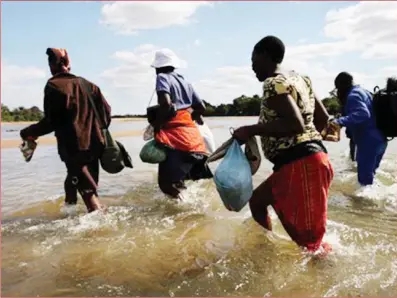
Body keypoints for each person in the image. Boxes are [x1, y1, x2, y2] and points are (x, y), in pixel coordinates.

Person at [233, 36, 334, 253]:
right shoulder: (302, 80)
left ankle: (322, 281)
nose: (252, 68)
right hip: (309, 160)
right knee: (257, 202)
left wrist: (251, 130)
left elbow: (295, 123)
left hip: (301, 164)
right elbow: (323, 118)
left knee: (310, 246)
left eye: (254, 61)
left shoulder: (273, 83)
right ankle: (266, 251)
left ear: (266, 56)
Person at [20, 48, 111, 213]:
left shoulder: (53, 86)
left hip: (74, 149)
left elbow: (50, 122)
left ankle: (102, 230)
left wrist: (26, 132)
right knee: (74, 179)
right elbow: (107, 115)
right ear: (68, 64)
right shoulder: (90, 86)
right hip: (96, 145)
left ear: (51, 65)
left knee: (89, 194)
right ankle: (69, 211)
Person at [150, 49, 213, 199]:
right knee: (180, 183)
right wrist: (189, 118)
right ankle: (190, 212)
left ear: (158, 67)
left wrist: (157, 125)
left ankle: (183, 208)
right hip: (194, 140)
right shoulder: (185, 82)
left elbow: (165, 104)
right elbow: (201, 108)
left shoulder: (162, 77)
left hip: (176, 140)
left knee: (166, 185)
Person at [332, 72, 387, 186]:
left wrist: (339, 122)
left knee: (364, 183)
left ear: (341, 86)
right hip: (380, 139)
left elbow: (363, 114)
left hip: (369, 142)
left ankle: (363, 203)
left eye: (337, 88)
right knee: (370, 178)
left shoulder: (353, 96)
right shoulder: (364, 92)